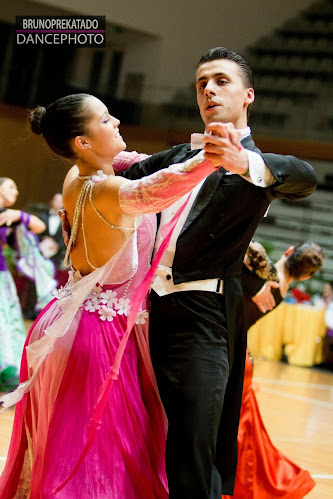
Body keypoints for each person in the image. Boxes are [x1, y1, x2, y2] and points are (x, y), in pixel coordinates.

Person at [0, 93, 228, 498]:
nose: (117, 121)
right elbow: (160, 188)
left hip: (74, 319)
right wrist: (217, 155)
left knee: (92, 457)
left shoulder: (80, 173)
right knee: (99, 464)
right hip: (100, 337)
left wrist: (198, 148)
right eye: (106, 120)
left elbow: (143, 161)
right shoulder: (108, 188)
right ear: (82, 142)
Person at [114, 47, 317, 498]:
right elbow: (120, 173)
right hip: (144, 317)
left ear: (248, 96)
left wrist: (242, 162)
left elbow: (304, 176)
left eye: (221, 80)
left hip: (203, 321)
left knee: (193, 451)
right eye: (201, 82)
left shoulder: (257, 167)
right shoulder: (178, 155)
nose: (208, 88)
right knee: (139, 440)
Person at [222, 240, 323, 499]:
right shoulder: (281, 290)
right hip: (241, 358)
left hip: (224, 351)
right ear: (307, 275)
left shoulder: (260, 273)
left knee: (236, 429)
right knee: (241, 430)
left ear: (289, 250)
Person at [0, 178, 47, 392]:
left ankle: (6, 371)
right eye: (11, 186)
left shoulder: (8, 217)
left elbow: (39, 226)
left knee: (6, 323)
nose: (16, 191)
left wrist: (20, 215)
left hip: (2, 278)